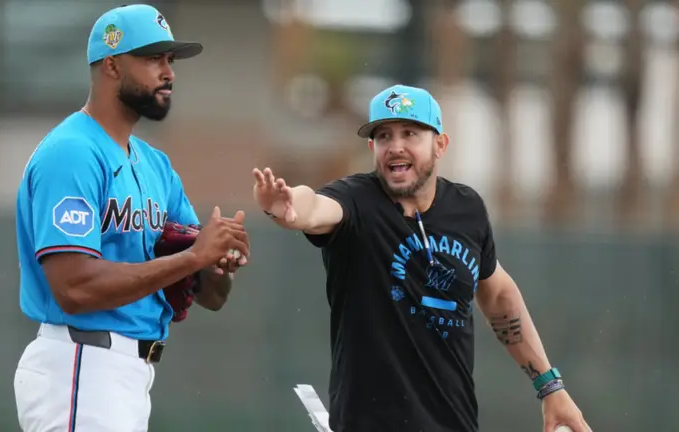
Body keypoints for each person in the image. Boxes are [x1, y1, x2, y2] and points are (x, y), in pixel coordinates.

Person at [252, 84, 591, 432]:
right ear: (372, 148)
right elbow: (314, 207)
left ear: (440, 144)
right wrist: (287, 207)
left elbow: (498, 294)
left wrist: (550, 386)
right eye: (384, 136)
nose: (395, 145)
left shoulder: (467, 209)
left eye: (410, 133)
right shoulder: (356, 201)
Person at [12, 5, 250, 432]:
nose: (169, 73)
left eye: (170, 60)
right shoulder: (72, 152)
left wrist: (218, 261)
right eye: (153, 58)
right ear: (111, 65)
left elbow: (211, 296)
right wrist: (193, 258)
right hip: (80, 364)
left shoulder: (156, 165)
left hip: (130, 375)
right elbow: (74, 288)